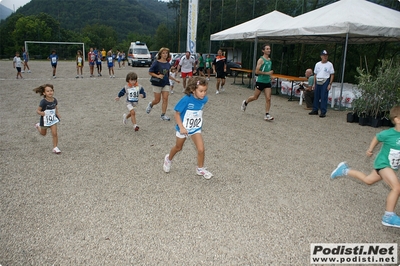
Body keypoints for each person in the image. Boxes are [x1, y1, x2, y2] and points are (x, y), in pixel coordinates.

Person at [331, 106, 400, 228]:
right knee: (396, 187)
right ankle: (388, 216)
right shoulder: (389, 133)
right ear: (397, 119)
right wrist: (370, 149)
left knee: (368, 180)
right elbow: (377, 137)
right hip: (383, 164)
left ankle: (344, 170)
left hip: (391, 166)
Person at [163, 77, 213, 179]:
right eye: (201, 91)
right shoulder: (186, 99)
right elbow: (177, 114)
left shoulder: (204, 99)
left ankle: (200, 168)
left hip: (195, 128)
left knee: (201, 149)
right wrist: (181, 127)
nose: (203, 94)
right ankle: (168, 158)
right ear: (192, 89)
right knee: (178, 147)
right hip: (183, 128)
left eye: (205, 91)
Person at [240, 44, 274, 121]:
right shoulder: (261, 60)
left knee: (268, 98)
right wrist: (267, 74)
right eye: (267, 49)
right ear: (263, 50)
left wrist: (270, 76)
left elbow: (268, 70)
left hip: (267, 82)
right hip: (260, 81)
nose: (269, 50)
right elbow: (257, 71)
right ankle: (245, 102)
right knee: (255, 97)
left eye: (269, 49)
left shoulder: (269, 60)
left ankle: (267, 114)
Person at [33, 84, 61, 154]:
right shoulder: (43, 102)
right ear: (44, 93)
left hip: (53, 119)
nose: (50, 92)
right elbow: (38, 110)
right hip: (45, 120)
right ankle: (38, 126)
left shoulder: (54, 100)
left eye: (51, 91)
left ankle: (55, 147)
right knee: (43, 133)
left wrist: (57, 113)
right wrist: (41, 113)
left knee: (54, 133)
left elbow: (55, 107)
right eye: (48, 91)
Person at [147, 47, 173, 121]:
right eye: (163, 53)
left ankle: (163, 115)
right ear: (160, 54)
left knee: (165, 99)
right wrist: (158, 76)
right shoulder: (156, 62)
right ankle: (151, 104)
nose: (165, 54)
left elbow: (167, 74)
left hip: (166, 83)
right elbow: (150, 72)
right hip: (157, 83)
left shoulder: (168, 64)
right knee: (157, 100)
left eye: (166, 53)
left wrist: (174, 79)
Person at [309, 50, 335, 118]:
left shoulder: (330, 64)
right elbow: (315, 74)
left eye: (326, 56)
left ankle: (323, 111)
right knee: (316, 95)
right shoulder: (317, 64)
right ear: (321, 56)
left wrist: (330, 84)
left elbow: (332, 74)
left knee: (324, 96)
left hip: (325, 80)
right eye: (324, 56)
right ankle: (315, 109)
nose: (325, 57)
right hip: (318, 80)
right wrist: (314, 83)